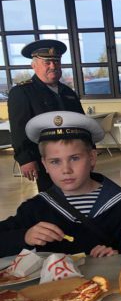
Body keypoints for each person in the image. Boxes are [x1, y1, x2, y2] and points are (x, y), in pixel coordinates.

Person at [0, 112, 121, 257]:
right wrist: (25, 236)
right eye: (55, 161)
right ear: (45, 165)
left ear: (92, 158)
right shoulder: (36, 208)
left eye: (74, 158)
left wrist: (119, 256)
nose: (66, 170)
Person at [8, 39, 84, 192]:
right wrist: (26, 159)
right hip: (45, 159)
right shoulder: (22, 92)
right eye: (47, 62)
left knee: (78, 195)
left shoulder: (67, 92)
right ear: (34, 65)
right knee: (52, 198)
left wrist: (90, 150)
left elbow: (82, 123)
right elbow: (19, 129)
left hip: (74, 156)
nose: (53, 66)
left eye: (56, 62)